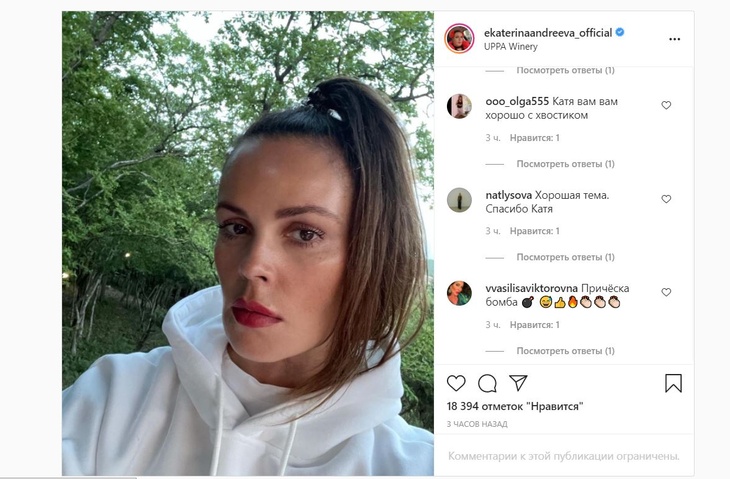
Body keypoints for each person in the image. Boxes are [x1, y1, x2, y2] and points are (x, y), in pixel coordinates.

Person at [62, 77, 433, 476]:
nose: (251, 265)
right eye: (235, 227)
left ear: (374, 257)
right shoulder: (114, 399)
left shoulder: (416, 465)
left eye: (304, 234)